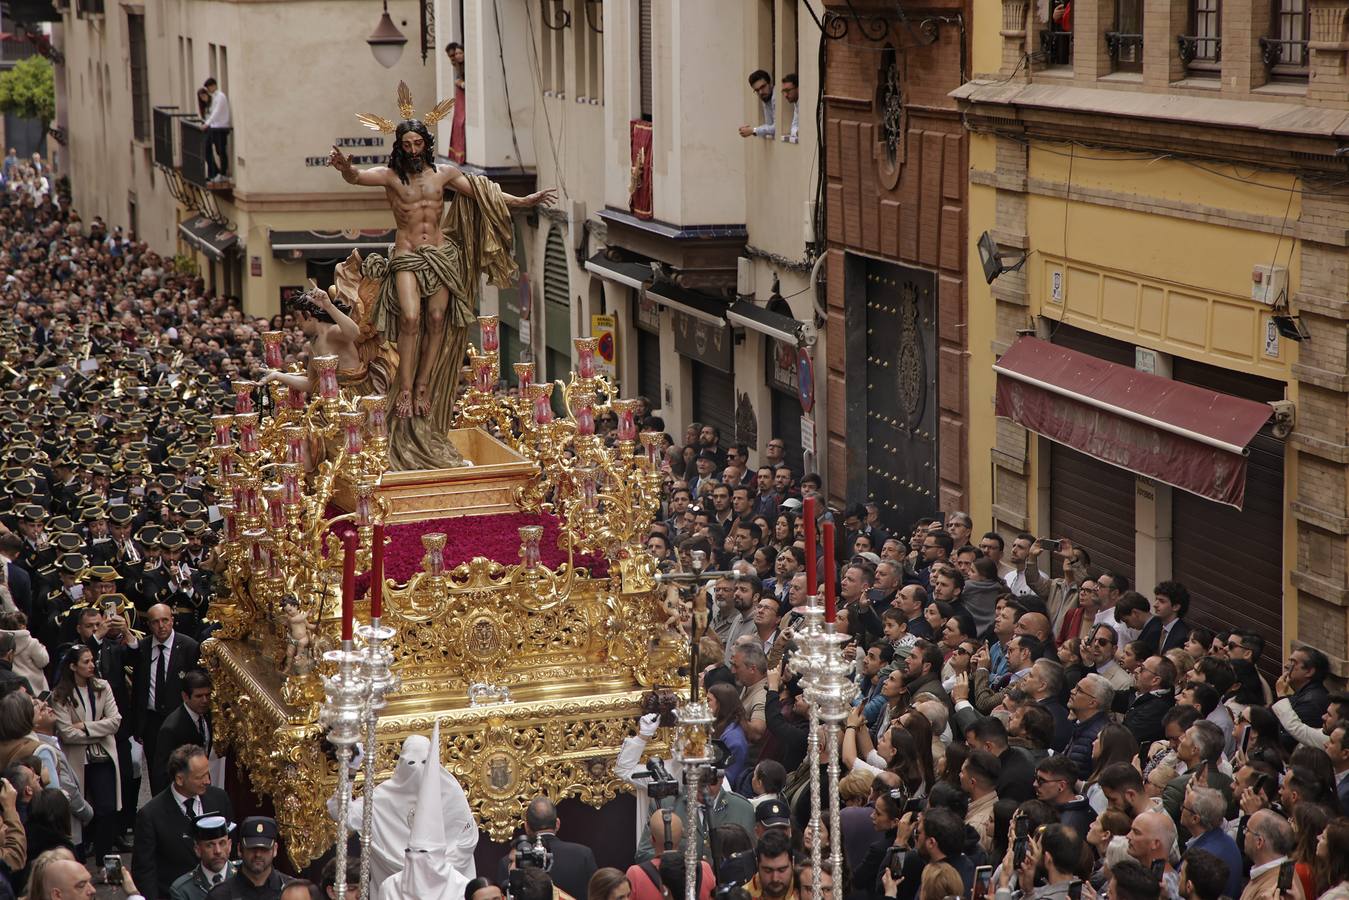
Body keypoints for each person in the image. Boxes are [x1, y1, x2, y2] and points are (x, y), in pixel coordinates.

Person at [327, 89, 556, 458]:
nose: (414, 149)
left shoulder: (444, 174)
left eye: (419, 142)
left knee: (436, 318)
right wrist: (345, 169)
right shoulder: (389, 177)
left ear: (426, 144)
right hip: (406, 255)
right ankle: (402, 388)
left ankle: (422, 386)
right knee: (411, 318)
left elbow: (486, 195)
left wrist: (523, 202)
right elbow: (357, 177)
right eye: (407, 143)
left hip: (441, 255)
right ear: (399, 146)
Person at [341, 732, 477, 896]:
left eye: (425, 763)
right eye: (411, 763)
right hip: (398, 891)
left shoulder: (449, 791)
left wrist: (436, 873)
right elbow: (343, 814)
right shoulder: (382, 798)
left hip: (449, 888)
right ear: (401, 763)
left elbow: (466, 839)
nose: (418, 769)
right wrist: (349, 771)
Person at [50, 642, 121, 863]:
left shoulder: (102, 686)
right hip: (76, 759)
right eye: (86, 662)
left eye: (92, 661)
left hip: (102, 756)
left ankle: (104, 860)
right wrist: (99, 729)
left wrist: (85, 727)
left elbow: (116, 721)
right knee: (77, 812)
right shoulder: (60, 694)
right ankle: (79, 859)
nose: (92, 665)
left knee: (107, 808)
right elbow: (67, 733)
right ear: (73, 666)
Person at [134, 744, 234, 900]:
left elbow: (230, 850)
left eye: (208, 774)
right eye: (200, 777)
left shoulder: (219, 799)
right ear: (180, 779)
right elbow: (145, 872)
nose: (208, 781)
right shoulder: (151, 815)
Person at [152, 669, 215, 796]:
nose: (205, 700)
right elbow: (162, 774)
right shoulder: (171, 729)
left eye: (208, 695)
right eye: (199, 696)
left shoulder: (207, 714)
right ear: (185, 696)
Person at [205, 816, 291, 899]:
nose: (258, 854)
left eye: (264, 849)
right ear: (239, 849)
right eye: (252, 848)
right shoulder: (219, 896)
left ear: (275, 849)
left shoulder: (292, 891)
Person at [169, 815, 238, 900]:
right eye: (210, 845)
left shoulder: (244, 877)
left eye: (222, 843)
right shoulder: (183, 890)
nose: (218, 851)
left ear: (229, 846)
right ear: (198, 850)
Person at [738, 70, 775, 139]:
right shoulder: (766, 98)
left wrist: (753, 131)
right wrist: (753, 130)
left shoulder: (776, 96)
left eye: (763, 87)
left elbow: (778, 128)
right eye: (757, 90)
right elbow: (769, 125)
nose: (761, 92)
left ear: (770, 83)